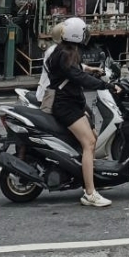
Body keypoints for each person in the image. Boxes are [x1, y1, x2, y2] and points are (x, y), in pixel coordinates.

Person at [44, 17, 114, 208]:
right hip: (66, 105)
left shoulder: (66, 51)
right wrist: (105, 84)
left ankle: (90, 177)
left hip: (72, 103)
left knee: (92, 135)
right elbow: (77, 76)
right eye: (84, 32)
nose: (87, 35)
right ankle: (90, 193)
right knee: (89, 143)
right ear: (76, 35)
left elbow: (76, 70)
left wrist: (91, 69)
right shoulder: (66, 54)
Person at [35, 22, 66, 104]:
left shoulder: (58, 49)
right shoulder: (55, 51)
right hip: (49, 95)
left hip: (54, 93)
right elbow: (68, 69)